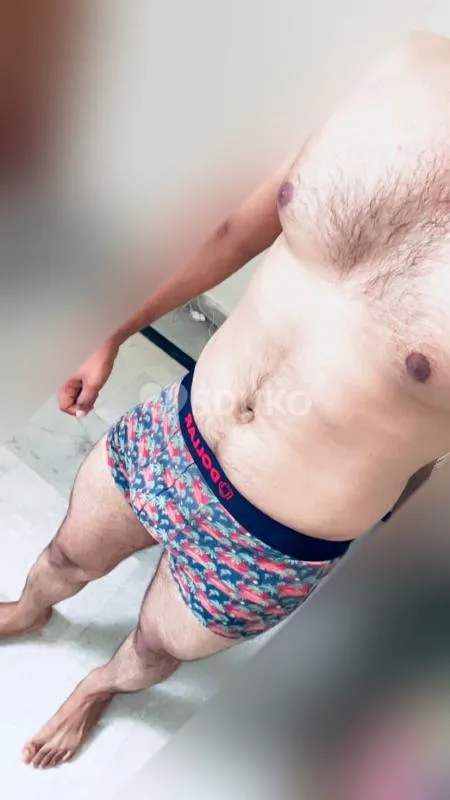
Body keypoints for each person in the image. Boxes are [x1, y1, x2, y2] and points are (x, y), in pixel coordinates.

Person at [2, 30, 449, 769]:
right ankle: (27, 610)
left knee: (154, 647)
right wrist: (112, 328)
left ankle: (97, 687)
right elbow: (237, 227)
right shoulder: (408, 67)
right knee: (65, 554)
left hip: (279, 538)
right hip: (177, 428)